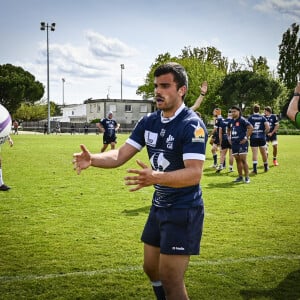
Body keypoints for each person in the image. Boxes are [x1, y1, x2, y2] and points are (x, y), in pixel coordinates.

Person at [73, 62, 208, 300]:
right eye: (156, 86)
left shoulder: (192, 124)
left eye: (165, 86)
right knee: (150, 268)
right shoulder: (149, 122)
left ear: (182, 90)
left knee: (171, 279)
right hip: (159, 207)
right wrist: (93, 159)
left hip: (183, 209)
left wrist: (156, 177)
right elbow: (120, 154)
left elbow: (194, 173)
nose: (158, 91)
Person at [229, 105, 253, 183]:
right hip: (234, 143)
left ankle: (247, 177)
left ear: (239, 112)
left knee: (243, 160)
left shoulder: (242, 120)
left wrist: (245, 138)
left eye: (234, 111)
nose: (232, 113)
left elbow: (251, 128)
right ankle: (240, 177)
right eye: (231, 112)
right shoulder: (231, 121)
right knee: (237, 160)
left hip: (242, 143)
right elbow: (228, 130)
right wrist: (229, 138)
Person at [248, 104, 270, 174]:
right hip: (261, 137)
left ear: (253, 110)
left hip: (253, 137)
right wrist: (264, 133)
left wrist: (248, 135)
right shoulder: (263, 117)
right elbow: (268, 128)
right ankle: (266, 167)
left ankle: (255, 170)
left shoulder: (250, 118)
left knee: (255, 153)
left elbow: (248, 128)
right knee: (263, 153)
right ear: (259, 110)